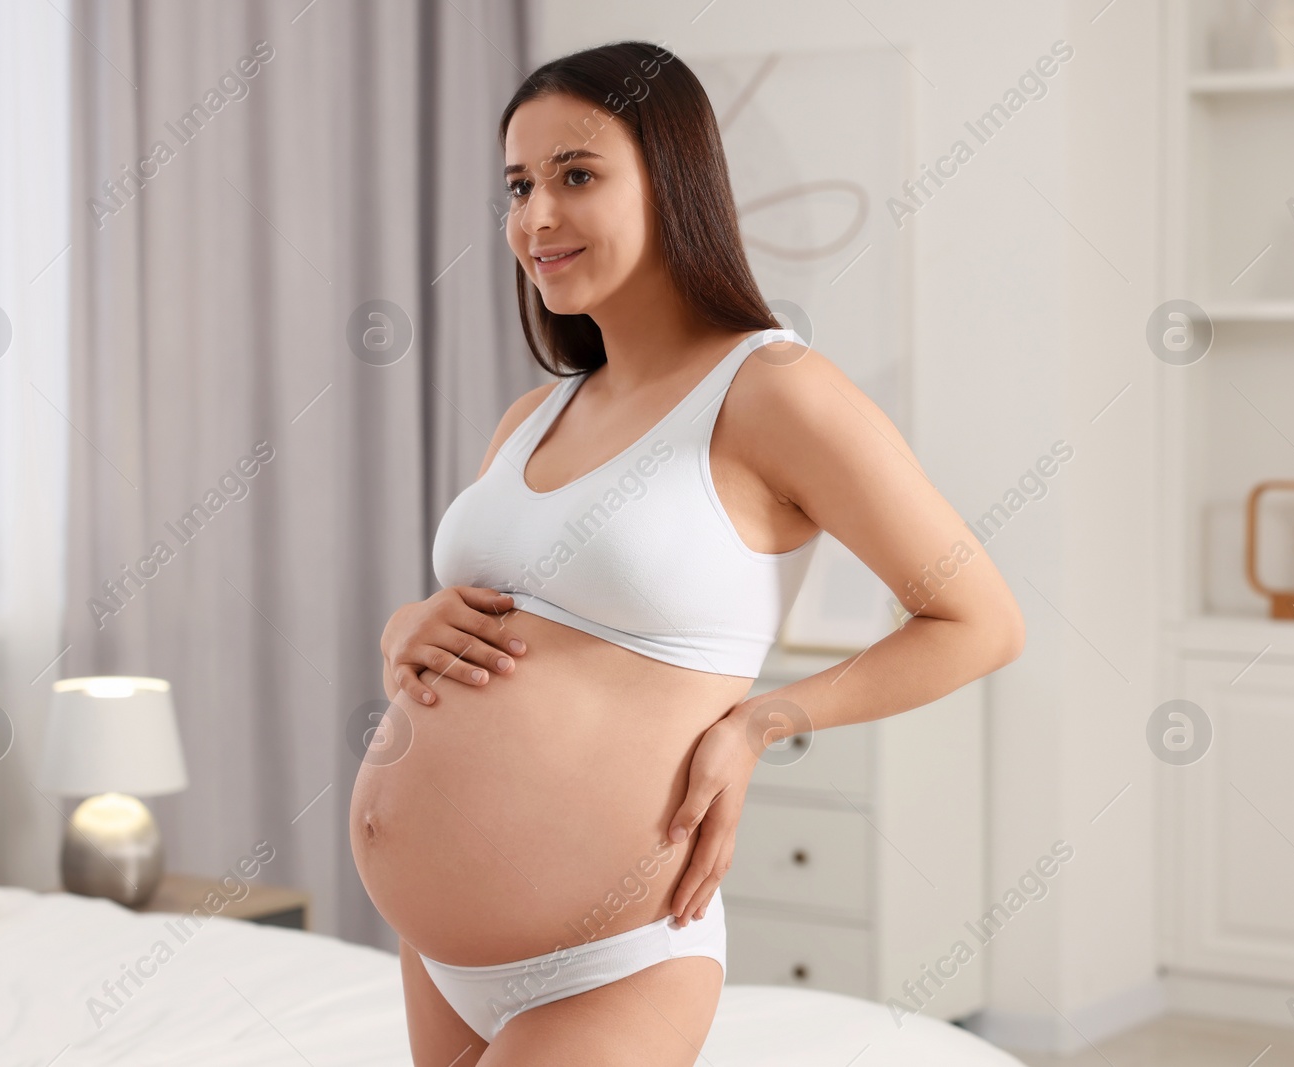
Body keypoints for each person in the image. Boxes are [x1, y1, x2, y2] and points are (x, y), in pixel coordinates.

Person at [349, 39, 1025, 1066]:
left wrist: (764, 720)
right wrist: (405, 626)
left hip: (613, 960)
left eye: (576, 175)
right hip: (437, 953)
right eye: (518, 184)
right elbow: (483, 621)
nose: (536, 216)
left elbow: (980, 621)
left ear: (671, 181)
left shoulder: (775, 391)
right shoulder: (534, 415)